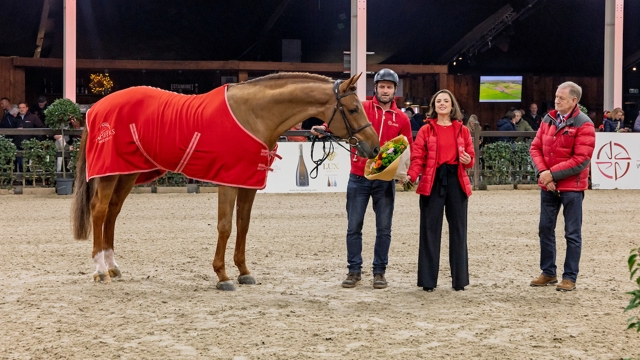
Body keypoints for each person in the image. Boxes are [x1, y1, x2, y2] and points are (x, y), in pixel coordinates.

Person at [311, 68, 413, 289]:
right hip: (358, 175)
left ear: (395, 90)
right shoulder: (364, 107)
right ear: (375, 88)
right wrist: (325, 128)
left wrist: (405, 173)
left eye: (389, 87)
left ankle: (379, 272)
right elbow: (344, 118)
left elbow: (407, 148)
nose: (385, 90)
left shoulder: (402, 118)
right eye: (382, 86)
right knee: (353, 226)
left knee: (384, 228)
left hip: (384, 180)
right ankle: (354, 270)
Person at [529, 81, 595, 291]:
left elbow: (581, 159)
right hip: (548, 184)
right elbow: (535, 148)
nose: (556, 100)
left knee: (572, 233)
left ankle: (570, 277)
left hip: (572, 188)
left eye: (561, 98)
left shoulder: (584, 124)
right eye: (556, 96)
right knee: (545, 229)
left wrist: (552, 174)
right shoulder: (547, 119)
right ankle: (548, 272)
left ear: (574, 100)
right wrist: (543, 174)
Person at [406, 89, 474, 292]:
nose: (442, 104)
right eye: (438, 101)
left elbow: (470, 156)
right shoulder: (426, 130)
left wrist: (468, 160)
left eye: (446, 101)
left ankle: (459, 281)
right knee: (429, 230)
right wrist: (411, 175)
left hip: (456, 181)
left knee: (459, 231)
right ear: (434, 106)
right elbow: (418, 157)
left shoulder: (463, 130)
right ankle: (428, 281)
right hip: (433, 180)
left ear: (452, 105)